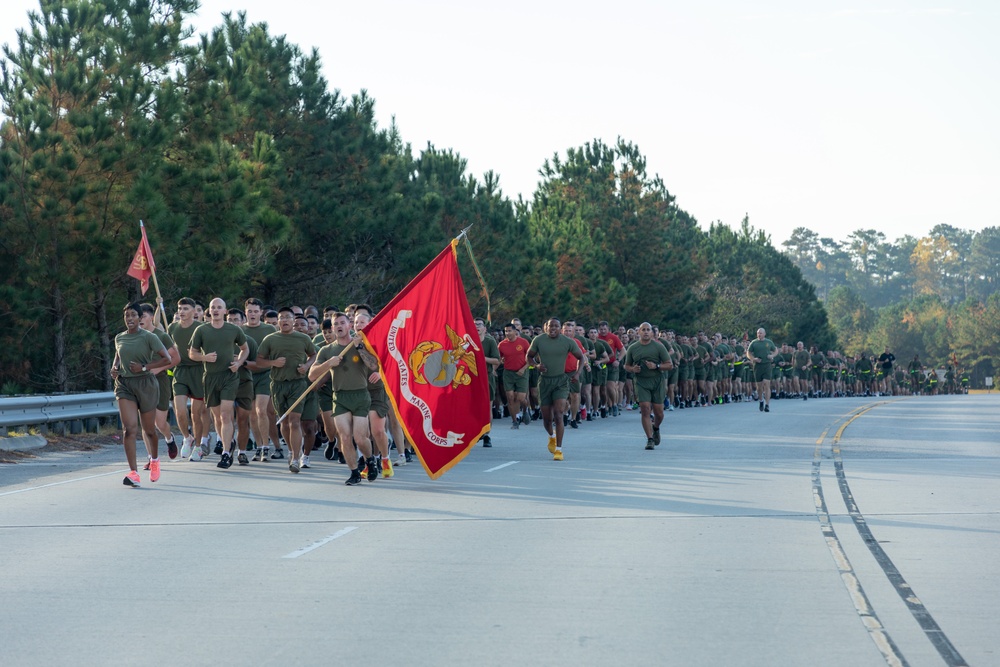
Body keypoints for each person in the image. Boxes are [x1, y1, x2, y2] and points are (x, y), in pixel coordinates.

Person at [309, 312, 378, 485]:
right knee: (345, 437)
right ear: (332, 328)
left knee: (360, 438)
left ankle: (370, 460)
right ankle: (354, 472)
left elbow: (374, 365)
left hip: (360, 395)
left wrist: (360, 348)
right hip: (340, 397)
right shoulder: (327, 350)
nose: (339, 326)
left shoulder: (360, 343)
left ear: (349, 325)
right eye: (335, 324)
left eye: (342, 323)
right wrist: (327, 364)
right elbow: (312, 375)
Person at [112, 302, 171, 487]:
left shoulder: (149, 337)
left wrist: (144, 367)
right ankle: (133, 473)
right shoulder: (119, 337)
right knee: (129, 429)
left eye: (133, 315)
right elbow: (118, 355)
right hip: (125, 384)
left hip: (146, 384)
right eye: (127, 315)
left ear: (139, 318)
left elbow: (166, 359)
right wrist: (114, 367)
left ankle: (154, 460)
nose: (129, 319)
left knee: (149, 431)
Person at [189, 298, 249, 470]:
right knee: (217, 417)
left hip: (229, 376)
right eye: (212, 307)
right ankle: (228, 442)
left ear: (225, 311)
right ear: (209, 311)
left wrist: (239, 363)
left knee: (225, 414)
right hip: (210, 377)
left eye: (219, 307)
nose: (215, 310)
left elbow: (245, 349)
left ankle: (225, 452)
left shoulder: (233, 329)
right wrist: (203, 357)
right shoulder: (201, 330)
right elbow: (192, 353)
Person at [255, 307, 317, 473]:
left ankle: (296, 458)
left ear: (293, 321)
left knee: (295, 421)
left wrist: (306, 366)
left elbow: (314, 355)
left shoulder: (303, 338)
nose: (284, 320)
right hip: (278, 384)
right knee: (284, 422)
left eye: (287, 317)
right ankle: (290, 450)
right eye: (281, 318)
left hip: (297, 384)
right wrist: (273, 363)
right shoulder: (270, 339)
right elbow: (259, 360)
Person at [526, 318, 583, 461]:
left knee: (559, 414)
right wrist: (537, 366)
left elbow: (581, 358)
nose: (553, 328)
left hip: (561, 381)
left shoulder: (568, 342)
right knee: (546, 419)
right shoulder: (538, 340)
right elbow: (529, 356)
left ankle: (559, 449)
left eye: (556, 326)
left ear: (561, 329)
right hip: (544, 381)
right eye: (550, 326)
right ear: (546, 327)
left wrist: (577, 373)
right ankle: (551, 436)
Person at [138, 303, 180, 466]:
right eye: (138, 317)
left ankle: (169, 439)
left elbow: (176, 359)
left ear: (150, 318)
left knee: (160, 422)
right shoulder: (134, 336)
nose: (140, 320)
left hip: (159, 380)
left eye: (143, 316)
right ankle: (151, 458)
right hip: (141, 382)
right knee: (146, 422)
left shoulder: (161, 336)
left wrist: (157, 369)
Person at [167, 297, 207, 460]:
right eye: (179, 309)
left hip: (198, 372)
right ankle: (187, 437)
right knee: (180, 411)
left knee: (196, 415)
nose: (181, 312)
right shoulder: (172, 328)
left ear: (193, 311)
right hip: (181, 371)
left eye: (185, 309)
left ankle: (198, 446)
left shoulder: (202, 328)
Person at [624, 322, 672, 450]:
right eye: (643, 330)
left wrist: (656, 366)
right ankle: (650, 439)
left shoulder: (659, 347)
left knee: (659, 412)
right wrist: (633, 369)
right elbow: (626, 366)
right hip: (641, 381)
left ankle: (655, 427)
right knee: (645, 409)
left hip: (657, 381)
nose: (645, 332)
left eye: (648, 330)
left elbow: (669, 364)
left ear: (652, 332)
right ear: (638, 332)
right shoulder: (633, 348)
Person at [498, 322, 531, 429]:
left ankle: (526, 410)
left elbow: (531, 358)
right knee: (510, 397)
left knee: (521, 398)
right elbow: (499, 358)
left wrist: (523, 369)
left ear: (515, 331)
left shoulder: (523, 342)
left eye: (509, 331)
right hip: (508, 373)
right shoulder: (502, 344)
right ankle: (515, 421)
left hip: (521, 372)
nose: (507, 333)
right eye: (506, 331)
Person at [475, 317, 501, 446]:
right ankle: (474, 432)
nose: (476, 327)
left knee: (487, 407)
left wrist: (482, 358)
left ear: (484, 328)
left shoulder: (490, 342)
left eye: (479, 324)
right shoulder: (467, 341)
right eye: (474, 324)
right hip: (471, 377)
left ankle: (486, 435)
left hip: (486, 377)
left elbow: (497, 360)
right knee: (472, 407)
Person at [747, 328, 777, 412]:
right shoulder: (754, 343)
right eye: (758, 333)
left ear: (764, 334)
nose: (759, 334)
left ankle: (767, 404)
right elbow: (748, 353)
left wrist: (772, 356)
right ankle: (761, 400)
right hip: (757, 366)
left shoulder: (769, 342)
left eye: (760, 333)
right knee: (759, 386)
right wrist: (754, 359)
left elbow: (775, 351)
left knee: (766, 384)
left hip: (767, 365)